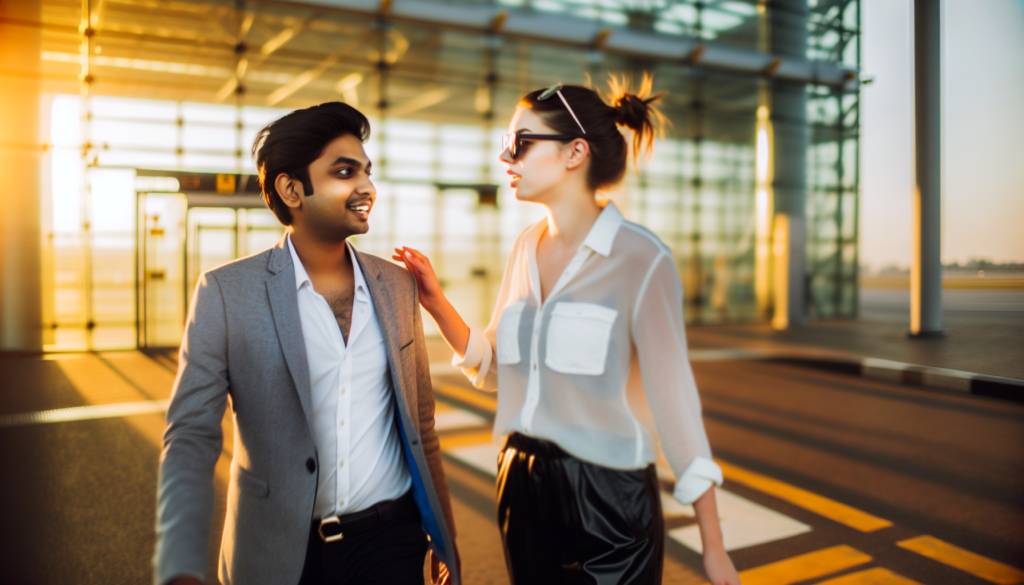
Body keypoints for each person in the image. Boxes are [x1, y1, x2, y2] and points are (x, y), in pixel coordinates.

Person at [395, 78, 740, 585]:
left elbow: (675, 404)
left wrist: (714, 547)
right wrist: (435, 301)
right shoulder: (523, 248)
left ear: (575, 152)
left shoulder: (641, 259)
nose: (505, 157)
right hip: (522, 486)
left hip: (611, 496)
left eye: (521, 143)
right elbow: (495, 370)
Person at [155, 102, 460, 585]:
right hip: (279, 552)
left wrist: (445, 537)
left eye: (367, 171)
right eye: (344, 172)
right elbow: (191, 436)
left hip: (391, 542)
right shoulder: (227, 293)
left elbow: (421, 421)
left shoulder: (397, 286)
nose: (367, 188)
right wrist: (179, 565)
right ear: (291, 188)